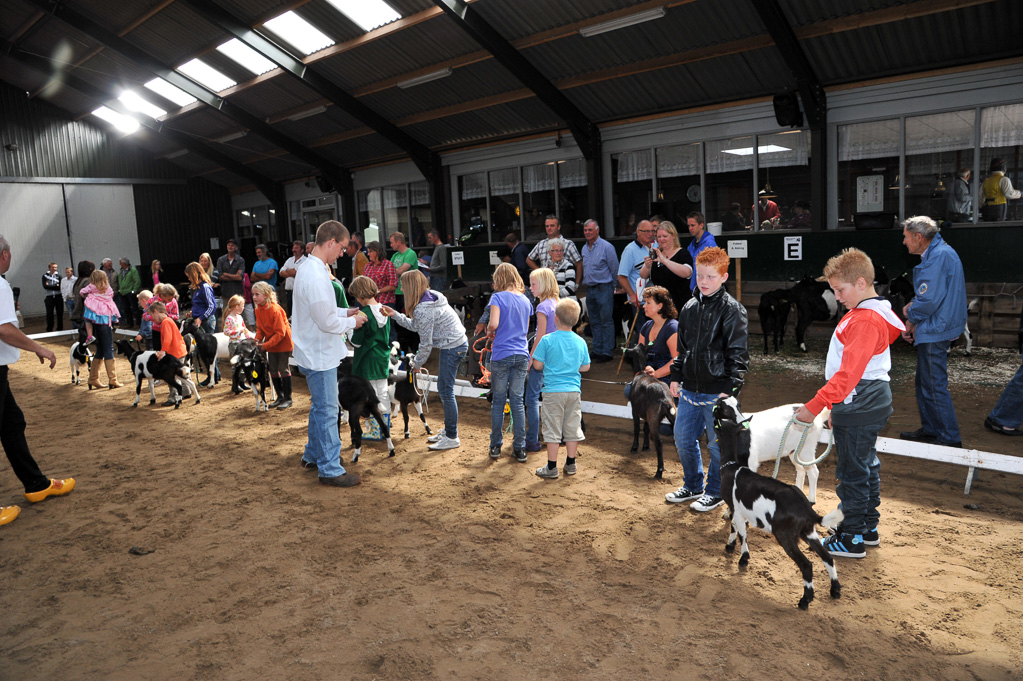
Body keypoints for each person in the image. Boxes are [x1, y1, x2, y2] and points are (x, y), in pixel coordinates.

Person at [794, 248, 905, 557]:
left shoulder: (865, 320)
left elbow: (848, 375)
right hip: (863, 402)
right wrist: (834, 407)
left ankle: (852, 537)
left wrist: (815, 405)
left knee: (853, 472)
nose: (837, 296)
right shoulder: (871, 313)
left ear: (859, 283)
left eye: (839, 290)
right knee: (865, 465)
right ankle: (866, 526)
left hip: (860, 402)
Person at [0, 235, 76, 528]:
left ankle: (36, 483)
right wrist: (39, 348)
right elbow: (4, 329)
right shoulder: (1, 284)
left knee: (12, 424)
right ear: (5, 254)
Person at [666, 247, 748, 512]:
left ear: (724, 277)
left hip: (717, 392)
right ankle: (692, 485)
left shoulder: (733, 310)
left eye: (710, 276)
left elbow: (738, 356)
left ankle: (715, 491)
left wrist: (729, 389)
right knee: (682, 439)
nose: (703, 281)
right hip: (689, 390)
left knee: (716, 448)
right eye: (700, 275)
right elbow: (683, 349)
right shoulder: (688, 307)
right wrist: (676, 376)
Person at [294, 221, 366, 487]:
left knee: (320, 406)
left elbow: (321, 312)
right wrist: (351, 322)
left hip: (313, 349)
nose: (343, 253)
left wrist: (343, 313)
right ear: (332, 242)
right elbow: (325, 320)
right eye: (343, 247)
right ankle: (330, 468)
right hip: (319, 352)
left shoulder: (309, 268)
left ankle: (313, 455)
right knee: (326, 410)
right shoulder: (315, 274)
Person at [899, 216, 967, 448]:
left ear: (919, 237)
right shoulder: (939, 253)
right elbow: (929, 295)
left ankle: (949, 436)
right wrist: (914, 318)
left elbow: (928, 300)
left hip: (936, 328)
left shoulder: (938, 257)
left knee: (933, 384)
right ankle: (932, 429)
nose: (904, 242)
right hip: (937, 323)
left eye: (906, 237)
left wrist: (910, 315)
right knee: (924, 382)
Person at [383, 270, 468, 451]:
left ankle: (452, 436)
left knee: (446, 391)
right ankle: (449, 431)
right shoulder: (431, 298)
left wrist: (416, 364)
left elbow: (426, 343)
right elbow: (416, 326)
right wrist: (396, 315)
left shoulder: (423, 309)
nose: (401, 288)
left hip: (452, 346)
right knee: (446, 390)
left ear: (411, 287)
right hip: (454, 344)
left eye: (404, 285)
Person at [532, 298, 591, 480]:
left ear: (555, 318)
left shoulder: (547, 340)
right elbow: (585, 367)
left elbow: (537, 365)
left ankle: (551, 467)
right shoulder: (581, 342)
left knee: (552, 429)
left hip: (552, 391)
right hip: (573, 391)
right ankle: (571, 463)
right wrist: (572, 367)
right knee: (572, 428)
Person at [487, 262, 532, 462]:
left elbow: (494, 323)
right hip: (521, 354)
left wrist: (490, 331)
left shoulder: (497, 297)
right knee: (517, 402)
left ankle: (496, 445)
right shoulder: (525, 300)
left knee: (498, 401)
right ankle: (520, 447)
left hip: (502, 353)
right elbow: (525, 328)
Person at [348, 276, 392, 429]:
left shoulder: (363, 314)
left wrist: (348, 330)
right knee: (383, 392)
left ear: (360, 295)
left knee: (369, 395)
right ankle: (385, 424)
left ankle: (375, 428)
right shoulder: (385, 310)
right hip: (382, 358)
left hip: (367, 360)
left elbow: (356, 342)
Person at [524, 268, 560, 452]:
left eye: (533, 284)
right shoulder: (556, 303)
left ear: (544, 284)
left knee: (531, 398)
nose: (530, 288)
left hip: (543, 358)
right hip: (556, 358)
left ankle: (532, 440)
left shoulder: (542, 307)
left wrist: (531, 358)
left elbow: (540, 336)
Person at [580, 219, 619, 363]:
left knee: (606, 321)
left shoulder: (607, 247)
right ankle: (597, 349)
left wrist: (613, 286)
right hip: (590, 289)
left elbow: (615, 268)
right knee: (594, 321)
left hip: (604, 288)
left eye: (590, 230)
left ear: (597, 230)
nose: (587, 233)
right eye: (585, 230)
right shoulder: (584, 248)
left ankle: (607, 351)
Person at [252, 281, 294, 410]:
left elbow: (280, 332)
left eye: (257, 294)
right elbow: (260, 328)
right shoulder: (258, 309)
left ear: (266, 295)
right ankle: (280, 397)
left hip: (283, 343)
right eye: (253, 294)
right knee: (273, 369)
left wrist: (265, 345)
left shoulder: (275, 309)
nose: (254, 297)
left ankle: (288, 398)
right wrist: (257, 339)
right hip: (271, 343)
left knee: (283, 368)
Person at [640, 220, 693, 314]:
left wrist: (665, 261)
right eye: (659, 237)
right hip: (660, 307)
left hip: (680, 306)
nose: (661, 239)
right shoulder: (656, 254)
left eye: (665, 236)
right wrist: (647, 266)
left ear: (673, 236)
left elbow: (687, 272)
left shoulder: (682, 254)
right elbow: (643, 275)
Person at [617, 219, 657, 344]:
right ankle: (641, 360)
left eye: (652, 231)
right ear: (638, 232)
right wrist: (632, 295)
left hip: (657, 299)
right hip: (640, 301)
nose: (650, 234)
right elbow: (621, 276)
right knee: (643, 334)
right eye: (646, 231)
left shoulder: (657, 246)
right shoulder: (630, 250)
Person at [526, 216, 582, 290]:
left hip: (563, 287)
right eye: (547, 226)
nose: (549, 228)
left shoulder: (568, 244)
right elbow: (528, 259)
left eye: (552, 225)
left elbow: (579, 264)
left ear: (559, 227)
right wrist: (540, 271)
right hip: (545, 286)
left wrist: (577, 284)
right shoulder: (541, 244)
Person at [980, 157, 1021, 222]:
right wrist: (1020, 193)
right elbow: (1009, 194)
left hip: (986, 209)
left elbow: (980, 197)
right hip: (999, 208)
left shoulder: (986, 181)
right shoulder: (1004, 179)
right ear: (1003, 168)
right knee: (998, 228)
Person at [686, 212, 717, 292]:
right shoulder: (692, 245)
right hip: (694, 287)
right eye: (688, 226)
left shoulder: (710, 244)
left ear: (701, 225)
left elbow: (716, 266)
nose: (690, 228)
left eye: (693, 225)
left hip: (706, 287)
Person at [388, 232, 418, 312]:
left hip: (408, 292)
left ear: (398, 242)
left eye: (392, 242)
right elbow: (388, 270)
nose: (391, 245)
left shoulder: (411, 253)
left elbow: (401, 270)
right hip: (396, 291)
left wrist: (392, 272)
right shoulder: (395, 255)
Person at [363, 241, 398, 308]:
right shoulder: (368, 266)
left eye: (370, 251)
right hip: (370, 303)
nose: (368, 254)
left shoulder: (388, 265)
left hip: (385, 302)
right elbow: (363, 282)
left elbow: (393, 285)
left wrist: (378, 291)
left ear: (377, 252)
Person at [278, 240, 307, 318]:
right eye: (293, 248)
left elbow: (297, 273)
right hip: (289, 292)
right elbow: (281, 272)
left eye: (296, 248)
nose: (294, 250)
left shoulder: (306, 261)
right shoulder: (290, 260)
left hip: (300, 292)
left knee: (300, 314)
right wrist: (290, 272)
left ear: (302, 250)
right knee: (291, 314)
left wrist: (287, 271)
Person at [214, 238, 246, 305]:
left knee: (238, 314)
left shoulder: (240, 260)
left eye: (232, 245)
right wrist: (235, 276)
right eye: (228, 245)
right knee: (226, 314)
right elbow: (220, 276)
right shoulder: (221, 260)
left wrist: (225, 274)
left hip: (238, 294)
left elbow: (240, 278)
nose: (230, 246)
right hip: (225, 294)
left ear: (236, 248)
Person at [151, 284, 179, 352]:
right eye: (169, 299)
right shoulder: (153, 301)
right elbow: (147, 314)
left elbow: (176, 316)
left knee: (169, 350)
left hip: (168, 329)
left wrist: (166, 316)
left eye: (172, 298)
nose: (171, 300)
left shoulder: (173, 301)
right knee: (157, 350)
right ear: (163, 296)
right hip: (157, 329)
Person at [116, 257, 140, 328]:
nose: (120, 264)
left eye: (120, 262)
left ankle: (138, 323)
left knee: (134, 308)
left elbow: (137, 281)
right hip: (123, 293)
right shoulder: (121, 271)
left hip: (130, 292)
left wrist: (134, 291)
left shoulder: (133, 270)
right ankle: (130, 323)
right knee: (126, 309)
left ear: (124, 263)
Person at [42, 262, 63, 332]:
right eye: (52, 267)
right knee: (49, 313)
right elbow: (45, 286)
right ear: (49, 268)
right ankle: (49, 328)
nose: (54, 269)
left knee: (59, 313)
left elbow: (60, 287)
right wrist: (55, 286)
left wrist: (50, 286)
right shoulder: (45, 276)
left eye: (55, 267)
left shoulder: (59, 276)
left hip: (58, 296)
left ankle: (60, 327)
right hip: (49, 297)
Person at [60, 266, 77, 330]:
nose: (67, 273)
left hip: (75, 298)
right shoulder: (63, 280)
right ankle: (74, 326)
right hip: (68, 299)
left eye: (68, 272)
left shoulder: (76, 279)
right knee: (71, 313)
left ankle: (79, 325)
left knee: (77, 312)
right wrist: (64, 298)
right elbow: (62, 289)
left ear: (72, 272)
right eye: (66, 272)